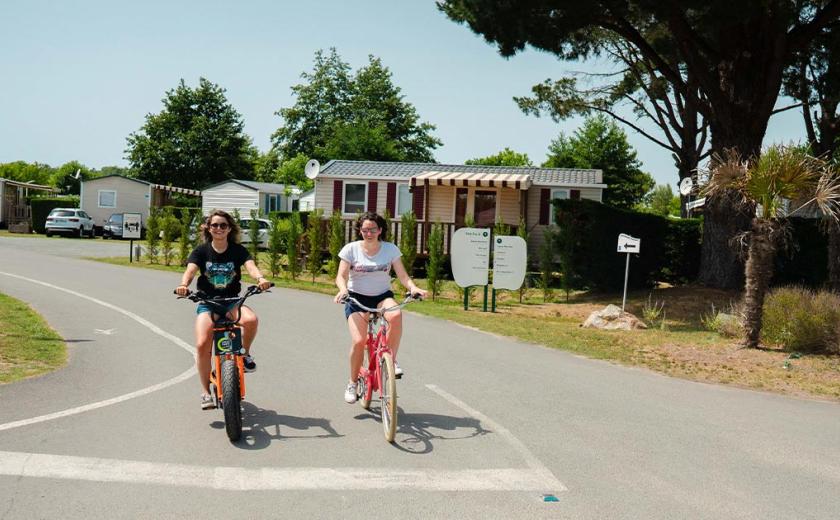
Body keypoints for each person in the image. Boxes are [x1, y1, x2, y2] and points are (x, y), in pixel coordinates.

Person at [175, 210, 272, 410]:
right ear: (208, 228)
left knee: (251, 319)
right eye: (215, 225)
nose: (219, 229)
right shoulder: (201, 251)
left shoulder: (238, 250)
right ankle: (205, 392)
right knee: (202, 344)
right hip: (207, 303)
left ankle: (244, 355)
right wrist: (184, 285)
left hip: (232, 302)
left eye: (223, 225)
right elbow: (190, 271)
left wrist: (260, 279)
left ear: (230, 229)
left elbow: (251, 267)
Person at [334, 211, 427, 404]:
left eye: (373, 229)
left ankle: (391, 360)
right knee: (359, 341)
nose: (369, 233)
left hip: (382, 296)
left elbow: (403, 276)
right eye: (365, 229)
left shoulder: (390, 249)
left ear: (380, 230)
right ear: (360, 231)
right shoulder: (350, 249)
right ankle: (352, 382)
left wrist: (413, 287)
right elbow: (341, 276)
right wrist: (343, 290)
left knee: (396, 315)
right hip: (356, 298)